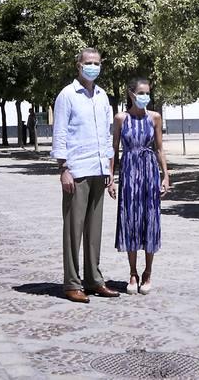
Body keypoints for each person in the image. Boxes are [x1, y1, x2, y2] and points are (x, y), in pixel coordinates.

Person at [51, 48, 119, 302]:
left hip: (98, 170)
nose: (93, 66)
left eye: (97, 63)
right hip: (76, 170)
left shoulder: (102, 97)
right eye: (88, 62)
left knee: (94, 231)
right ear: (78, 65)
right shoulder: (67, 95)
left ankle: (94, 280)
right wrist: (63, 169)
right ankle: (71, 283)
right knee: (73, 230)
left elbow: (106, 135)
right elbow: (59, 134)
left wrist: (109, 170)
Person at [111, 78, 171, 294]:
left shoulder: (154, 117)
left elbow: (159, 148)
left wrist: (165, 175)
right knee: (130, 219)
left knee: (149, 219)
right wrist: (111, 177)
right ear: (131, 94)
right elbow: (114, 149)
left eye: (148, 92)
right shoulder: (120, 118)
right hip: (128, 172)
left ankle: (148, 272)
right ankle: (133, 272)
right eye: (141, 92)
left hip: (148, 172)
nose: (145, 96)